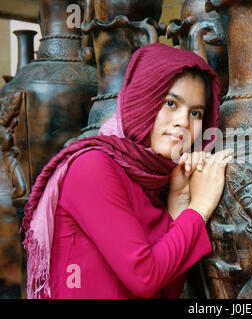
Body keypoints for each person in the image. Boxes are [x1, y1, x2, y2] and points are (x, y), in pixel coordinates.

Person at [21, 43, 233, 299]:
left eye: (196, 113)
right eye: (170, 103)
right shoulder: (93, 167)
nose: (183, 122)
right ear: (142, 101)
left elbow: (167, 291)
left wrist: (177, 206)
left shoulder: (158, 181)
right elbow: (145, 277)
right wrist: (199, 208)